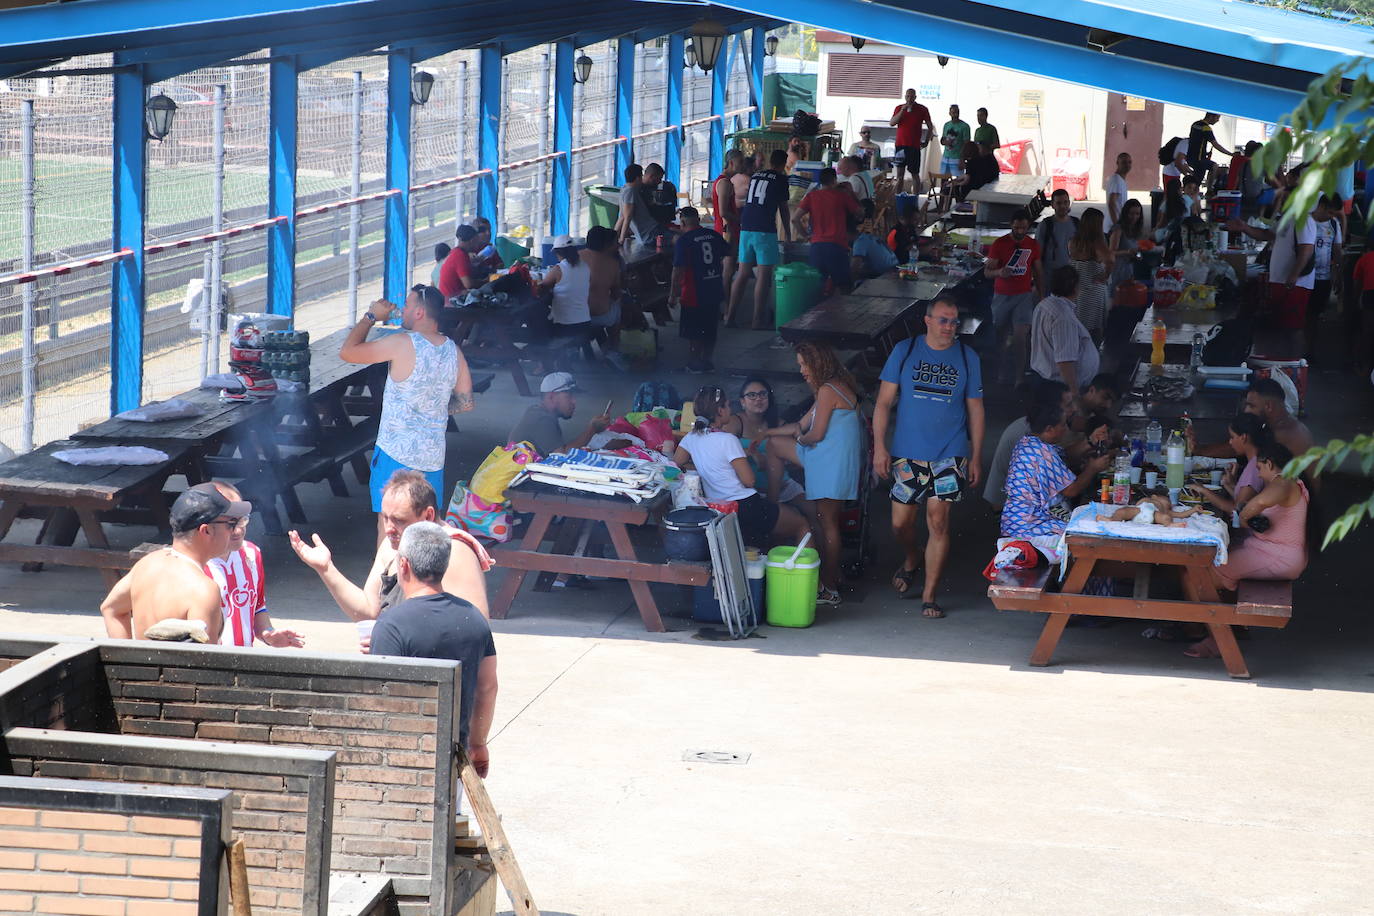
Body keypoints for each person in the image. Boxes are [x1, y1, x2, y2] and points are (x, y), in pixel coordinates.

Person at [872, 296, 985, 617]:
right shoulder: (904, 351)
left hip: (951, 453)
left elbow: (976, 410)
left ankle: (930, 596)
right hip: (908, 452)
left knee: (938, 521)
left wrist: (975, 455)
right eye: (943, 320)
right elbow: (882, 403)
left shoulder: (967, 357)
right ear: (928, 320)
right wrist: (880, 446)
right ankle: (912, 556)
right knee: (899, 524)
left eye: (954, 322)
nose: (949, 327)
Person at [370, 521, 498, 777]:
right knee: (452, 816)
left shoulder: (392, 624)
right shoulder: (473, 619)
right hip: (455, 760)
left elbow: (381, 701)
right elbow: (487, 687)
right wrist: (478, 743)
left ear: (403, 565)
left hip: (402, 761)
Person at [289, 470, 493, 627]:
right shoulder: (391, 545)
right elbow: (368, 611)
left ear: (428, 516)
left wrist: (397, 640)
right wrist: (326, 569)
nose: (388, 529)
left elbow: (474, 630)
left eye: (399, 520)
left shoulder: (454, 551)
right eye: (385, 518)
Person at [341, 284, 472, 528]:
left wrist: (370, 317)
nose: (402, 310)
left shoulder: (402, 343)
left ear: (420, 312)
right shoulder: (454, 351)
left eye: (408, 305)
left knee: (389, 530)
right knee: (426, 529)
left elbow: (348, 352)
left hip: (395, 453)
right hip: (432, 457)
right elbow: (465, 403)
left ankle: (387, 568)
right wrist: (432, 408)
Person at [1185, 443, 1308, 661]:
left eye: (1260, 468)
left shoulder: (1284, 482)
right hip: (1273, 553)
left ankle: (1217, 637)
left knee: (1197, 576)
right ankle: (1226, 627)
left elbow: (1255, 504)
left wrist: (1244, 519)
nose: (1259, 474)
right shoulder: (1286, 483)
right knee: (1214, 563)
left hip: (1276, 556)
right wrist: (1232, 491)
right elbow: (1247, 505)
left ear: (1270, 464)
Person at [763, 343, 864, 605]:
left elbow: (813, 434)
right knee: (774, 446)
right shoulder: (831, 387)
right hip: (825, 459)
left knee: (827, 520)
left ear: (816, 363)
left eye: (803, 364)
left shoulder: (828, 390)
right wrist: (766, 434)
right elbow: (801, 425)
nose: (801, 370)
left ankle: (829, 588)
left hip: (831, 463)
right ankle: (773, 507)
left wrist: (801, 439)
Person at [672, 386, 812, 552]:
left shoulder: (691, 437)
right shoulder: (728, 440)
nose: (731, 411)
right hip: (745, 506)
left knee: (765, 537)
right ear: (720, 410)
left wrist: (707, 468)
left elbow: (676, 463)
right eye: (728, 406)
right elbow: (749, 480)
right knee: (802, 525)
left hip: (718, 509)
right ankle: (807, 575)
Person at [100, 487, 240, 641]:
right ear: (206, 531)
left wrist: (124, 658)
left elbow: (111, 609)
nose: (234, 531)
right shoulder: (203, 590)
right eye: (230, 524)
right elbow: (203, 660)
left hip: (143, 664)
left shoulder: (147, 563)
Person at [198, 481, 304, 649]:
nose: (239, 530)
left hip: (244, 661)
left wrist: (268, 634)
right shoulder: (193, 565)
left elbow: (257, 607)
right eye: (230, 524)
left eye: (242, 521)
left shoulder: (251, 554)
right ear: (206, 526)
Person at [1000, 400, 1113, 540]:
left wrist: (1090, 441)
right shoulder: (1044, 453)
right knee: (1089, 531)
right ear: (1049, 429)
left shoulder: (1027, 442)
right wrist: (1092, 468)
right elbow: (1071, 490)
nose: (1066, 429)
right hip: (1031, 525)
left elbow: (1065, 455)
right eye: (1063, 425)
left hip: (1013, 521)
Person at [720, 377, 816, 528]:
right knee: (790, 520)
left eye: (763, 394)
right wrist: (751, 454)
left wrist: (780, 462)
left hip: (783, 486)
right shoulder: (735, 422)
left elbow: (796, 455)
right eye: (751, 395)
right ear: (742, 401)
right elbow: (720, 450)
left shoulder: (780, 425)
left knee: (816, 514)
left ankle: (820, 551)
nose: (758, 398)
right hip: (750, 491)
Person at [1228, 207, 1316, 358]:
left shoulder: (1304, 220)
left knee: (1292, 327)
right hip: (1280, 281)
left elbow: (1306, 249)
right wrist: (1244, 227)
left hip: (1296, 283)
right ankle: (1280, 362)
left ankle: (1296, 364)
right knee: (1281, 323)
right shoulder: (1286, 218)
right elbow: (1267, 234)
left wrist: (1294, 275)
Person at [983, 378, 1070, 510]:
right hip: (1008, 508)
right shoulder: (1029, 434)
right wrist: (1092, 468)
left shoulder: (1038, 426)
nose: (1074, 408)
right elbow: (1069, 489)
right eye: (1068, 405)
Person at [728, 149, 791, 329]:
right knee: (764, 274)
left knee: (743, 273)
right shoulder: (781, 179)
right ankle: (757, 320)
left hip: (746, 226)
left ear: (770, 161)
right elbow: (784, 209)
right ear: (783, 164)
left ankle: (730, 316)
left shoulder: (756, 175)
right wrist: (787, 232)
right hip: (765, 229)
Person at [984, 209, 1043, 382]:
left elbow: (1039, 272)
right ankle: (1000, 371)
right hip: (1002, 295)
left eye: (1023, 228)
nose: (1019, 231)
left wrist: (1041, 294)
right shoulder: (999, 244)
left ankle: (1019, 377)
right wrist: (999, 272)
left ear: (1028, 227)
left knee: (1020, 336)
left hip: (1023, 295)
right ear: (1011, 225)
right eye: (1016, 228)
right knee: (1000, 336)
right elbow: (987, 272)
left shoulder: (1033, 245)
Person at [1192, 378, 1313, 461]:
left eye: (1251, 406)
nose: (1246, 411)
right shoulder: (1283, 423)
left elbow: (1240, 447)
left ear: (1269, 406)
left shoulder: (1284, 432)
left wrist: (1199, 450)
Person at [670, 207, 729, 373]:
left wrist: (673, 294)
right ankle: (707, 361)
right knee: (710, 328)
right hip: (714, 288)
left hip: (693, 292)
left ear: (682, 222)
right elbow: (727, 251)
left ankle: (694, 364)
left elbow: (678, 270)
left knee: (694, 331)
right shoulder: (714, 235)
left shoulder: (684, 241)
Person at [1185, 412, 1272, 515]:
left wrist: (1203, 490)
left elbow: (1237, 508)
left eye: (1232, 437)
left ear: (1243, 437)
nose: (1230, 442)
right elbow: (1244, 500)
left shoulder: (1255, 467)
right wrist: (1229, 485)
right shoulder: (1253, 462)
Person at [1030, 264, 1099, 392]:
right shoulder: (1063, 317)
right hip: (1059, 388)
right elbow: (1065, 362)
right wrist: (1074, 397)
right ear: (1075, 288)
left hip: (1045, 379)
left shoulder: (1044, 304)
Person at [506, 372, 610, 456]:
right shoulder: (542, 419)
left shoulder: (537, 411)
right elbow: (561, 455)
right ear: (551, 397)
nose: (574, 401)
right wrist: (592, 429)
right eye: (569, 396)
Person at [794, 167, 862, 293]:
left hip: (817, 247)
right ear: (834, 181)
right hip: (837, 247)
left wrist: (806, 235)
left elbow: (795, 219)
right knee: (845, 289)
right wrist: (851, 193)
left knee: (817, 289)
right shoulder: (841, 197)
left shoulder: (811, 196)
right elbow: (860, 213)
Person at [1306, 194, 1345, 360]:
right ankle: (1298, 348)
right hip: (1304, 277)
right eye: (1330, 212)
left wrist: (1338, 274)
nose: (1331, 216)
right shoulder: (1306, 222)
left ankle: (1310, 350)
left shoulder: (1334, 225)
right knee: (1303, 314)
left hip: (1323, 278)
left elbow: (1337, 251)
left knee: (1314, 314)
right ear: (1321, 206)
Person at [1067, 207, 1111, 340]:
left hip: (1077, 290)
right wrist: (1105, 275)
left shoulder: (1074, 241)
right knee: (1094, 330)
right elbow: (1111, 259)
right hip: (1093, 291)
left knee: (1078, 327)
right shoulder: (1097, 243)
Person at [539, 235, 594, 330]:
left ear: (558, 253)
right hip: (585, 321)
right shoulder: (586, 267)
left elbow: (541, 288)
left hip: (564, 324)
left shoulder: (558, 269)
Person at [889, 88, 934, 195]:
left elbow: (930, 126)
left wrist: (926, 140)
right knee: (900, 175)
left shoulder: (922, 109)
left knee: (915, 173)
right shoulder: (899, 108)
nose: (910, 99)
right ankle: (898, 197)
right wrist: (902, 111)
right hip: (900, 145)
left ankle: (915, 197)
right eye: (908, 96)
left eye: (912, 96)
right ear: (905, 97)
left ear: (915, 97)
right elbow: (892, 123)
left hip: (914, 146)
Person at [712, 149, 744, 296]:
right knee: (728, 270)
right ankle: (725, 304)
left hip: (727, 228)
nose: (742, 165)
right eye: (740, 162)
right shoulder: (724, 183)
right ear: (731, 163)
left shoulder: (724, 181)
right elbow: (723, 212)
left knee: (727, 269)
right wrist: (740, 220)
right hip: (727, 230)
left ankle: (723, 302)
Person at [617, 163, 666, 256]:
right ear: (638, 178)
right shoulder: (631, 191)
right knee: (677, 239)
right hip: (650, 232)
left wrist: (615, 236)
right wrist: (621, 240)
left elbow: (622, 216)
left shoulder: (624, 189)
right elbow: (627, 217)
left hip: (646, 234)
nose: (659, 182)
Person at [1035, 188, 1078, 274]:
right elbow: (1037, 255)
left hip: (1072, 276)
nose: (1062, 206)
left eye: (1065, 202)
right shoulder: (1045, 225)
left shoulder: (1077, 223)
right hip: (1049, 277)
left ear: (1069, 203)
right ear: (1052, 205)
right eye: (1058, 203)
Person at [1185, 112, 1232, 188]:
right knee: (1214, 166)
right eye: (1217, 118)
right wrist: (1230, 154)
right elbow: (1215, 144)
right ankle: (1209, 189)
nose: (1218, 120)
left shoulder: (1195, 124)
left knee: (1196, 180)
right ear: (1211, 116)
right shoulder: (1206, 128)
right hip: (1199, 159)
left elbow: (1196, 141)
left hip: (1190, 157)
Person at [438, 225, 483, 299]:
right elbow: (468, 284)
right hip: (452, 302)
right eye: (477, 241)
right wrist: (486, 281)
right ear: (472, 241)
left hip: (449, 298)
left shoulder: (455, 252)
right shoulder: (460, 256)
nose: (478, 245)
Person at [1350, 238, 1374, 374]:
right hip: (1369, 294)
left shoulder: (1364, 259)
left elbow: (1357, 284)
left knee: (1367, 332)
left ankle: (1365, 366)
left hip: (1369, 294)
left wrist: (1355, 301)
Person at [938, 105, 971, 181]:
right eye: (953, 112)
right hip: (946, 156)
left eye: (957, 112)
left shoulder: (964, 126)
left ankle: (956, 193)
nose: (955, 114)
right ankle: (944, 192)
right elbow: (942, 139)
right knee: (944, 178)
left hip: (957, 158)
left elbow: (967, 144)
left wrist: (962, 159)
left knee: (958, 179)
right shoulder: (947, 125)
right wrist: (945, 142)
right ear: (949, 113)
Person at [1104, 152, 1131, 233]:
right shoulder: (1117, 180)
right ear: (1117, 163)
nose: (1127, 165)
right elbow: (1111, 203)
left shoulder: (1120, 180)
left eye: (1129, 162)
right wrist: (1116, 225)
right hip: (1112, 227)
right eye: (1124, 162)